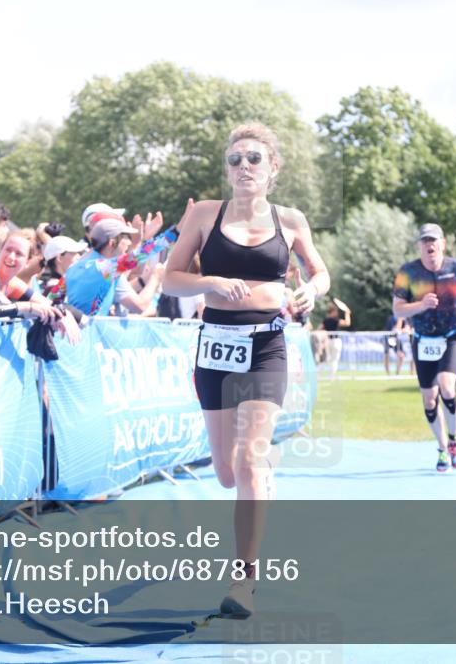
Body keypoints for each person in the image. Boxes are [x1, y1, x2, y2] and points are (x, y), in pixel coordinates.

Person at [162, 123, 330, 617]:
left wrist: (312, 290)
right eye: (234, 161)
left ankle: (244, 582)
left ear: (272, 168)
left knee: (252, 461)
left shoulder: (292, 220)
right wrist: (211, 279)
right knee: (226, 473)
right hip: (215, 345)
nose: (243, 168)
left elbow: (319, 271)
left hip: (267, 347)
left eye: (253, 159)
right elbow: (171, 279)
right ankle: (260, 472)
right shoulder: (204, 215)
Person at [393, 223, 456, 472]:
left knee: (447, 386)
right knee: (429, 399)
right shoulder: (407, 272)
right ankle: (442, 448)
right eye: (425, 241)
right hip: (423, 340)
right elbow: (397, 309)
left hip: (450, 337)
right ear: (419, 246)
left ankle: (455, 442)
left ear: (443, 243)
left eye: (434, 240)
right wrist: (420, 305)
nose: (429, 245)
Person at [64, 209, 178, 316]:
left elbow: (53, 299)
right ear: (112, 243)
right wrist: (177, 231)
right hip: (87, 335)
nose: (129, 242)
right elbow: (146, 252)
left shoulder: (73, 268)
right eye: (126, 237)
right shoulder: (106, 268)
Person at [40, 235, 88, 306]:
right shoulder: (54, 286)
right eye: (74, 253)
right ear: (59, 258)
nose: (79, 257)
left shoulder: (58, 285)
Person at [321, 299, 351, 377]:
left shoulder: (325, 321)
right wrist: (347, 313)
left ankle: (319, 375)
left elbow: (319, 329)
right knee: (334, 359)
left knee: (326, 359)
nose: (337, 313)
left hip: (327, 342)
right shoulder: (336, 320)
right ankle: (332, 375)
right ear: (333, 312)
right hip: (335, 341)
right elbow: (347, 323)